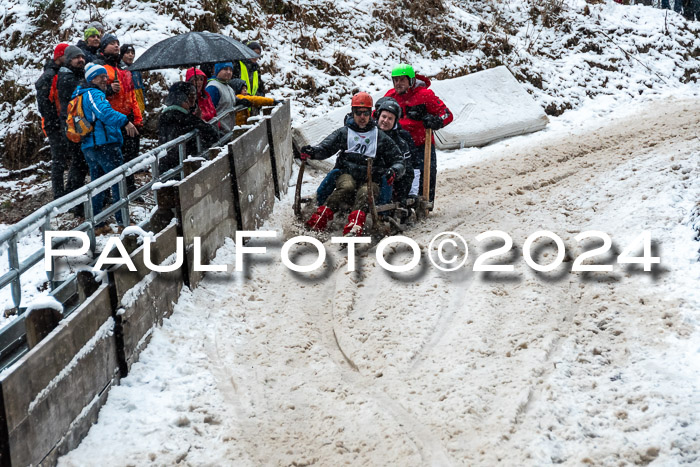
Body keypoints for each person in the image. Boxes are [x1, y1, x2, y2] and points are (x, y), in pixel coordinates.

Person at [300, 92, 405, 236]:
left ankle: (354, 228)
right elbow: (325, 148)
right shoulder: (344, 133)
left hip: (371, 179)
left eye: (365, 113)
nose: (362, 117)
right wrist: (312, 152)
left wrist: (394, 170)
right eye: (358, 113)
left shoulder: (379, 136)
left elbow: (398, 160)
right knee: (346, 187)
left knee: (365, 193)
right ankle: (318, 220)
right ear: (353, 113)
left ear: (370, 114)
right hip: (347, 173)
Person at [72, 63, 139, 227]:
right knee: (117, 181)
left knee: (98, 185)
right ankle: (123, 222)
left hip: (89, 145)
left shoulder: (79, 95)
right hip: (104, 144)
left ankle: (98, 224)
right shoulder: (93, 94)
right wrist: (125, 121)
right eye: (101, 76)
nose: (105, 79)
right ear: (92, 78)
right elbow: (104, 113)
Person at [384, 64, 453, 206]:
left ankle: (424, 202)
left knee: (424, 174)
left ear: (411, 80)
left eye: (402, 80)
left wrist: (437, 121)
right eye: (395, 80)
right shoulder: (390, 96)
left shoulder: (425, 95)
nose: (398, 84)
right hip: (397, 145)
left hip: (420, 144)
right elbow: (377, 116)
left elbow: (446, 114)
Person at [95, 34, 143, 194]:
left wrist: (137, 118)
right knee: (114, 159)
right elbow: (93, 93)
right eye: (111, 43)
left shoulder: (123, 69)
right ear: (103, 47)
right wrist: (108, 90)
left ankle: (129, 189)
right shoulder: (99, 67)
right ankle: (112, 193)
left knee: (130, 156)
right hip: (110, 120)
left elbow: (132, 96)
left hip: (127, 117)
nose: (116, 46)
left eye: (117, 43)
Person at [157, 82, 220, 174]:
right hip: (182, 167)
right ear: (183, 99)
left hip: (167, 166)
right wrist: (198, 120)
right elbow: (212, 134)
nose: (193, 100)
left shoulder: (165, 115)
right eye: (191, 96)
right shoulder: (184, 117)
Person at [57, 45, 90, 202]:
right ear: (69, 60)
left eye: (82, 57)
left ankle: (74, 196)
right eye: (77, 58)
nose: (81, 60)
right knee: (79, 162)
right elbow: (81, 92)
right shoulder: (67, 77)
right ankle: (74, 199)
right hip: (73, 124)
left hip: (77, 122)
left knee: (80, 162)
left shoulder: (76, 75)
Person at [36, 43, 69, 199]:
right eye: (66, 55)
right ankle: (58, 193)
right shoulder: (49, 75)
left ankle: (65, 190)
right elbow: (44, 104)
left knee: (64, 157)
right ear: (59, 56)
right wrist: (54, 122)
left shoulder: (61, 72)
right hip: (54, 124)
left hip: (63, 121)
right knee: (59, 158)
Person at [373, 97, 420, 203]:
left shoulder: (402, 139)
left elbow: (408, 168)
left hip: (394, 179)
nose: (385, 121)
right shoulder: (369, 133)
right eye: (383, 117)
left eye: (390, 118)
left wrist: (409, 193)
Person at [205, 62, 250, 131]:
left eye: (231, 70)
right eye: (225, 69)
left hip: (229, 129)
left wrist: (239, 101)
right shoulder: (213, 87)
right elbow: (209, 110)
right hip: (219, 131)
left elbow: (229, 100)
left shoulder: (227, 86)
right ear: (218, 71)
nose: (229, 72)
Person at [120, 44, 146, 114]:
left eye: (132, 53)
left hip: (138, 102)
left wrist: (143, 101)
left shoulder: (136, 69)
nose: (130, 55)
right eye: (127, 53)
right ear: (122, 55)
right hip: (127, 104)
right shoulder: (119, 69)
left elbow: (141, 87)